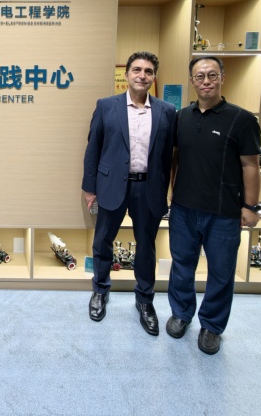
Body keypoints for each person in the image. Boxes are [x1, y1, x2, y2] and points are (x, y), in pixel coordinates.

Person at [167, 56, 261, 355]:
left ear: (222, 77)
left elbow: (250, 165)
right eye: (200, 76)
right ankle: (181, 313)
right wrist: (171, 195)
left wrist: (251, 206)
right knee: (182, 266)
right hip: (183, 209)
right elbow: (175, 159)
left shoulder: (242, 119)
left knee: (221, 273)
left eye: (212, 75)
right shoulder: (181, 117)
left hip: (224, 213)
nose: (206, 81)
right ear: (191, 81)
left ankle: (212, 325)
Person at [82, 51, 176, 334]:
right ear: (127, 74)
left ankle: (145, 300)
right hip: (111, 185)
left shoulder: (166, 111)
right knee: (103, 241)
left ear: (154, 77)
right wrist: (89, 188)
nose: (142, 76)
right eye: (137, 70)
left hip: (149, 188)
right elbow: (93, 148)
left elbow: (170, 156)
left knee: (146, 246)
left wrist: (168, 190)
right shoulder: (106, 106)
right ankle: (100, 291)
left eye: (148, 71)